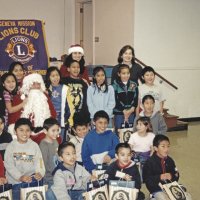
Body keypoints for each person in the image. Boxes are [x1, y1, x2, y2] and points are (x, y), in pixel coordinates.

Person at [4, 118, 45, 199]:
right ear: (15, 131)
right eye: (21, 130)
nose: (25, 133)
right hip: (15, 183)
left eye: (27, 130)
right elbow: (9, 165)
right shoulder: (11, 147)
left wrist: (40, 173)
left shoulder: (34, 146)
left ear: (30, 132)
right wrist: (20, 177)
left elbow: (39, 162)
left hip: (31, 181)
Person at [143, 135, 192, 200]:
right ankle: (153, 196)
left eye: (168, 146)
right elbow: (147, 179)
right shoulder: (149, 162)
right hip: (157, 189)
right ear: (155, 148)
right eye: (163, 146)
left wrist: (171, 176)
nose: (166, 149)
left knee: (188, 197)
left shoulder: (170, 160)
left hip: (170, 187)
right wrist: (160, 177)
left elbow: (176, 174)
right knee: (164, 198)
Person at [45, 66, 71, 140]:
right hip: (50, 116)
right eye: (53, 76)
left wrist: (68, 117)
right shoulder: (46, 89)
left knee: (61, 137)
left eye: (57, 75)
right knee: (51, 137)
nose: (56, 78)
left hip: (61, 116)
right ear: (48, 77)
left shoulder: (65, 88)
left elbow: (69, 104)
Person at [62, 60, 89, 126]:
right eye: (73, 67)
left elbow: (86, 100)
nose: (76, 69)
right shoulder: (63, 81)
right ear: (68, 69)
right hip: (67, 115)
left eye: (78, 67)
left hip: (81, 115)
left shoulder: (83, 82)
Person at [112, 64, 138, 131]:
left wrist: (131, 109)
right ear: (119, 74)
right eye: (123, 73)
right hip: (119, 113)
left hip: (131, 113)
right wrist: (124, 111)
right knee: (119, 132)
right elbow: (115, 100)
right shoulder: (114, 85)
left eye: (128, 73)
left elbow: (135, 98)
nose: (126, 75)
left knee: (130, 132)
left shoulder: (134, 84)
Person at [39, 118, 60, 187]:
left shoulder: (55, 141)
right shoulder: (43, 145)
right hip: (48, 178)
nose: (56, 133)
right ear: (45, 131)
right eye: (53, 131)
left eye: (57, 130)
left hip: (57, 175)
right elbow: (43, 164)